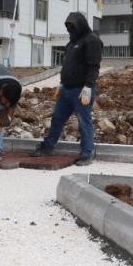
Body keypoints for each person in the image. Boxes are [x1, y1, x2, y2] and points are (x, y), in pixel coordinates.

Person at [28, 12, 103, 166]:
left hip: (81, 91)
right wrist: (62, 83)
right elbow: (68, 66)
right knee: (57, 119)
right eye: (68, 28)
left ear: (81, 25)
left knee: (84, 122)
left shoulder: (92, 41)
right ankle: (48, 147)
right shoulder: (71, 43)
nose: (70, 31)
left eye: (73, 27)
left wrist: (88, 86)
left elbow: (93, 66)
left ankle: (86, 154)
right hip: (66, 90)